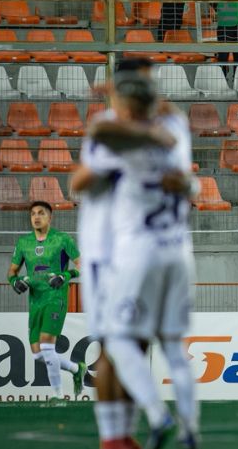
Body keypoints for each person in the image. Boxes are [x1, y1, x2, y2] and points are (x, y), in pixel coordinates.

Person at [70, 59, 178, 449]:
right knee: (111, 343)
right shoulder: (111, 128)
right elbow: (81, 180)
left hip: (135, 249)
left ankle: (125, 433)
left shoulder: (152, 129)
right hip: (105, 248)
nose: (151, 92)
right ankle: (113, 436)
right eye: (143, 84)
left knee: (135, 341)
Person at [93, 71, 199, 448]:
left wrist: (135, 124)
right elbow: (192, 185)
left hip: (140, 254)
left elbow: (99, 134)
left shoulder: (130, 144)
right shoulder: (177, 136)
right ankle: (190, 430)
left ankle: (156, 413)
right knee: (173, 347)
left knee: (117, 339)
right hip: (178, 251)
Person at [7, 201, 87, 404]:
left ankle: (58, 396)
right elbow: (12, 271)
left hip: (55, 297)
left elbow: (81, 265)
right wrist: (15, 282)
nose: (36, 217)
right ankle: (76, 369)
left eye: (41, 213)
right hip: (35, 300)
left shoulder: (62, 239)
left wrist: (65, 275)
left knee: (46, 346)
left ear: (50, 217)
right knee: (38, 354)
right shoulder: (23, 243)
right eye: (33, 213)